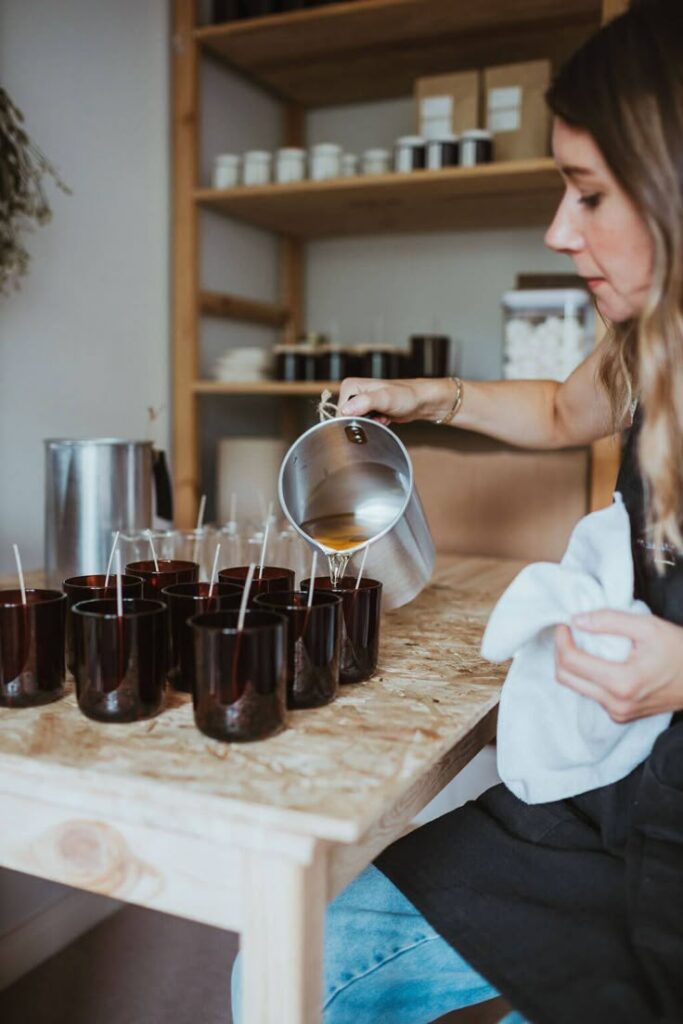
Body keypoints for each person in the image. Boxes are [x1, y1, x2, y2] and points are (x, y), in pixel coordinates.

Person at [232, 2, 683, 1021]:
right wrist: (426, 396)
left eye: (587, 193)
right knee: (275, 976)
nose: (556, 231)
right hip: (601, 796)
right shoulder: (652, 335)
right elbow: (567, 408)